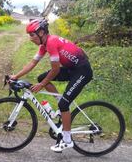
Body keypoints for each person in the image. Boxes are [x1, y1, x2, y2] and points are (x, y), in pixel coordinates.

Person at [10, 19, 93, 152]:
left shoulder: (51, 43)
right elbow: (32, 63)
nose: (30, 38)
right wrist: (16, 76)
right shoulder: (44, 45)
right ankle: (61, 104)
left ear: (41, 32)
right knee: (42, 78)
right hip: (72, 69)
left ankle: (67, 140)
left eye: (32, 35)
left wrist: (41, 85)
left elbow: (55, 70)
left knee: (64, 104)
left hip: (82, 71)